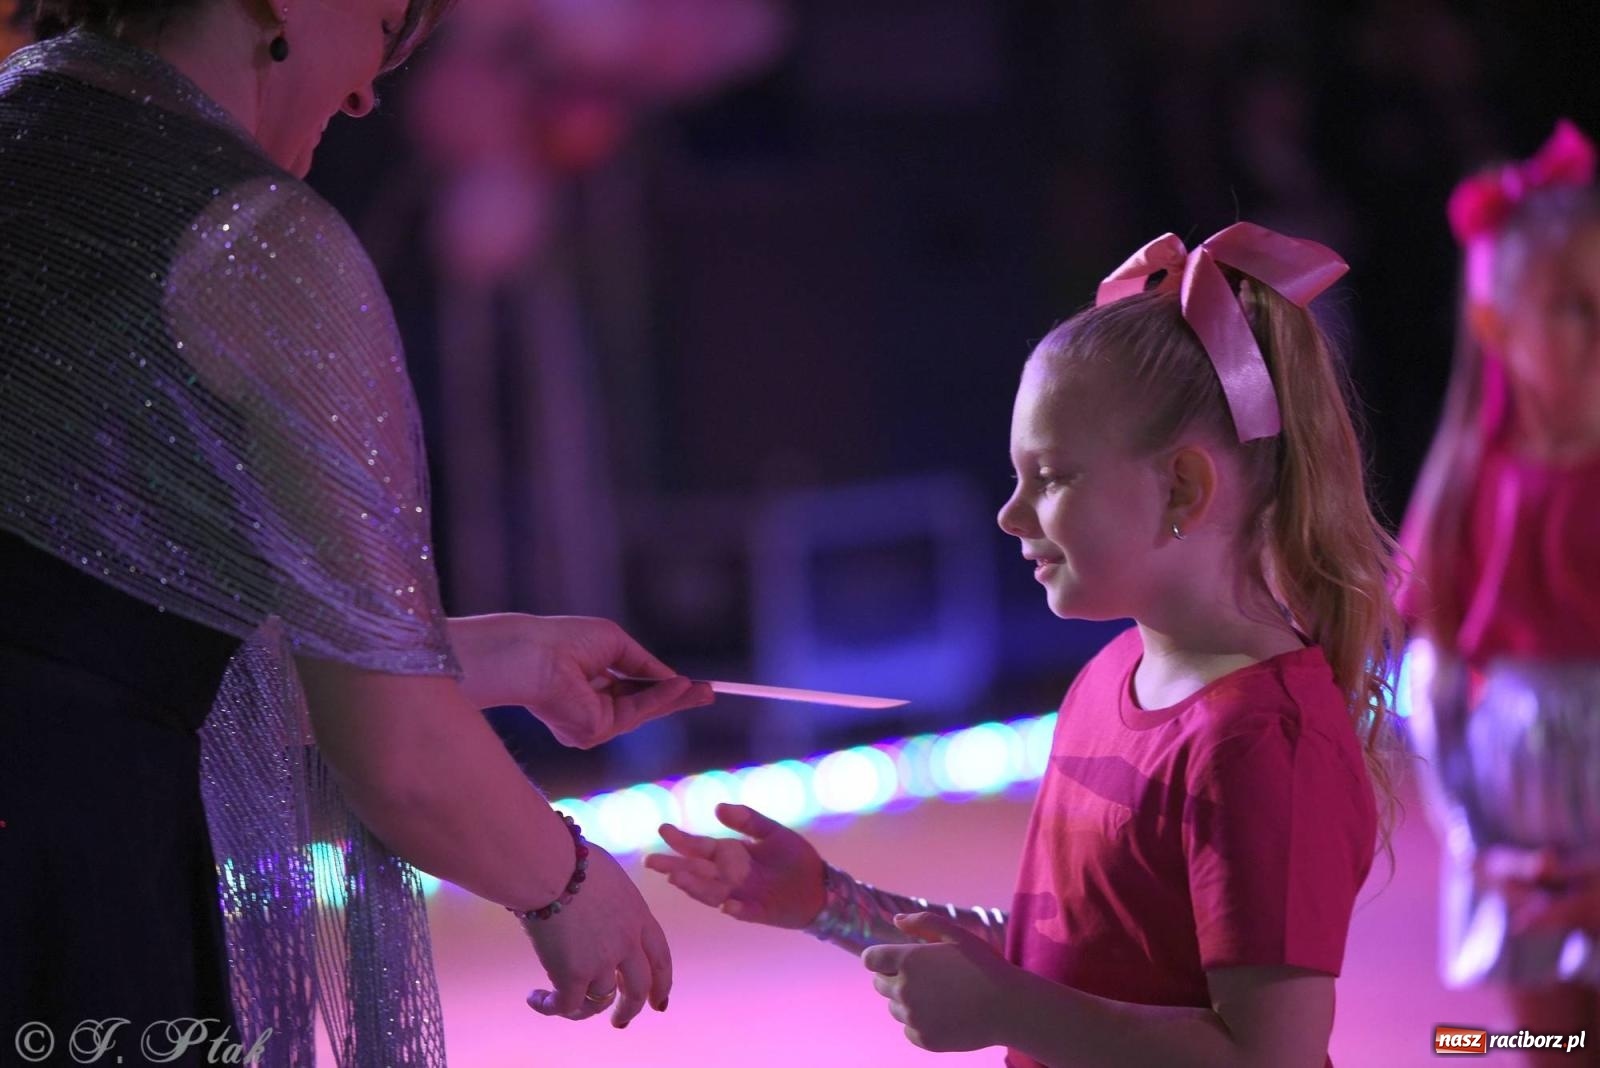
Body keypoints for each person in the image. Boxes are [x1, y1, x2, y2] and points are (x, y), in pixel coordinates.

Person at [0, 1, 711, 1063]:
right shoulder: (252, 236)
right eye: (385, 22)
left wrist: (492, 655)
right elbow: (400, 759)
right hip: (58, 891)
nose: (373, 85)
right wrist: (564, 882)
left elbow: (97, 630)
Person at [647, 222, 1400, 1067]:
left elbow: (1270, 1060)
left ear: (1182, 485)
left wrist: (1015, 1014)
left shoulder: (1263, 745)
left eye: (1050, 477)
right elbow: (1072, 958)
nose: (1010, 514)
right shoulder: (1112, 679)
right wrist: (829, 903)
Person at [1399, 119, 1600, 1065]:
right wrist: (1479, 845)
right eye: (1572, 306)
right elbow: (1430, 681)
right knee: (1551, 1038)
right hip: (1521, 841)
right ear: (1496, 328)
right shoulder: (1471, 488)